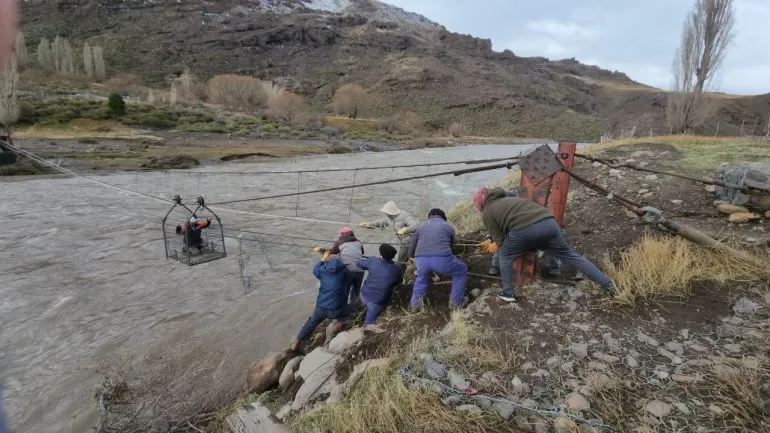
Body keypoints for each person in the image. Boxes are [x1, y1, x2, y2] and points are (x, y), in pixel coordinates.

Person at [475, 187, 614, 302]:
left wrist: (493, 246)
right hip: (548, 223)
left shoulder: (487, 211)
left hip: (525, 229)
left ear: (481, 205)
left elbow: (500, 240)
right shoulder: (509, 198)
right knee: (571, 256)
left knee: (505, 256)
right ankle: (608, 285)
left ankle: (507, 293)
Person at [475, 187, 562, 277]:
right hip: (541, 220)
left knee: (503, 244)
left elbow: (499, 236)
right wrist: (490, 239)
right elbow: (496, 227)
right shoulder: (504, 196)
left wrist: (496, 243)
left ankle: (496, 266)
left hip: (520, 225)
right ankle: (555, 268)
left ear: (482, 205)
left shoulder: (490, 210)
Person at [408, 208, 468, 310]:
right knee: (461, 270)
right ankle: (456, 303)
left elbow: (412, 246)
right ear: (443, 217)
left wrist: (410, 257)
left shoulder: (421, 226)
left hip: (421, 260)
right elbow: (453, 245)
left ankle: (415, 305)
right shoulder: (448, 226)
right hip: (442, 259)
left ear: (429, 217)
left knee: (422, 277)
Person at [290, 254, 352, 351]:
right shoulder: (345, 271)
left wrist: (322, 260)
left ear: (328, 262)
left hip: (320, 307)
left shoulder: (323, 270)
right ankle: (339, 324)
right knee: (353, 309)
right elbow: (347, 287)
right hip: (336, 310)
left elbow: (315, 270)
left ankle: (298, 340)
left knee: (311, 323)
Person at [313, 227, 366, 305]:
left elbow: (330, 252)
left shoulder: (339, 242)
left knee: (345, 290)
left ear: (343, 234)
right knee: (356, 291)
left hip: (349, 270)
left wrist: (320, 249)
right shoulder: (359, 242)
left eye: (341, 233)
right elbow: (362, 253)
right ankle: (355, 308)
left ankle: (343, 308)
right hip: (360, 269)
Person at [355, 244, 404, 326]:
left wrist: (371, 260)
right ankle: (364, 328)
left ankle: (360, 314)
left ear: (381, 254)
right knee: (368, 324)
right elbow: (398, 282)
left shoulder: (373, 261)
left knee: (361, 306)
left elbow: (358, 263)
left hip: (364, 295)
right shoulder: (397, 269)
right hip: (378, 302)